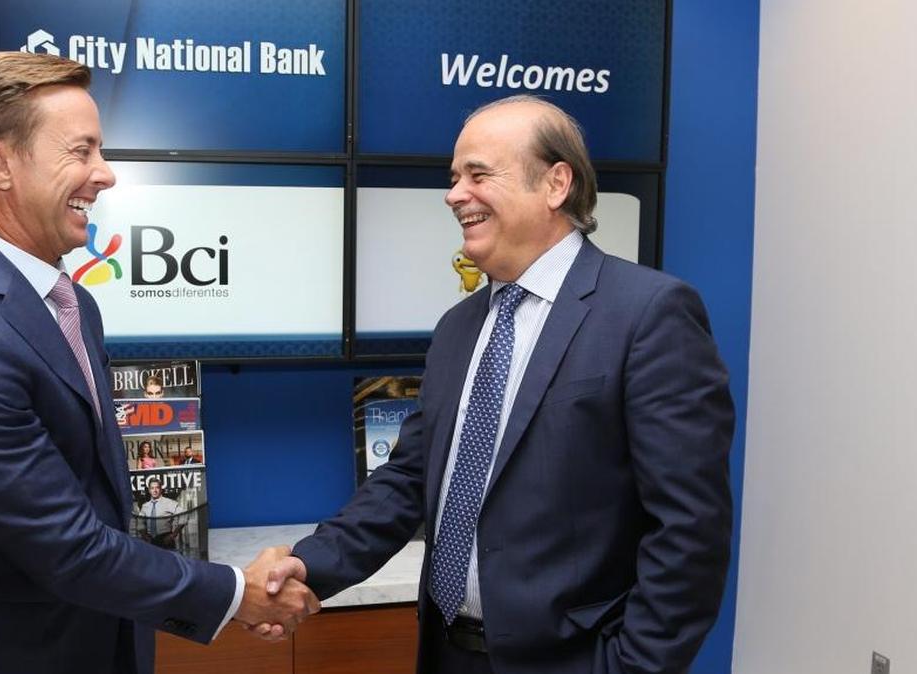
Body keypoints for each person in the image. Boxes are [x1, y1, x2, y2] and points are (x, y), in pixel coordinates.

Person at [0, 52, 316, 674]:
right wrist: (238, 594)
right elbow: (67, 546)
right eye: (81, 151)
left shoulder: (73, 303)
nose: (105, 174)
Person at [263, 95, 734, 674]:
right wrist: (309, 565)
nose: (454, 194)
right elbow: (409, 479)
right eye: (454, 178)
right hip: (445, 652)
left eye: (478, 174)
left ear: (555, 184)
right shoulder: (457, 327)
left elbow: (690, 531)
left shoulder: (648, 314)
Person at [135, 476, 183, 550]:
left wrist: (173, 535)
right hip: (150, 541)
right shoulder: (145, 506)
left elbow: (184, 515)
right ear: (149, 490)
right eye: (152, 488)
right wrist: (145, 536)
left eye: (157, 488)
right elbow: (140, 524)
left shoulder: (169, 503)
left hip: (166, 541)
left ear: (161, 489)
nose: (155, 490)